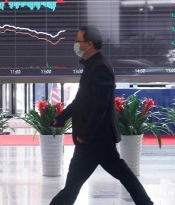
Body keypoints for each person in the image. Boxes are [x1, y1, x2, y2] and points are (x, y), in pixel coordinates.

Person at [50, 25, 154, 205]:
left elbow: (101, 107)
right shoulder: (92, 65)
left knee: (73, 185)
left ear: (89, 44)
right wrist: (61, 117)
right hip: (97, 139)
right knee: (122, 175)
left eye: (78, 41)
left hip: (95, 138)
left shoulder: (100, 67)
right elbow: (81, 100)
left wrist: (85, 134)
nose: (75, 44)